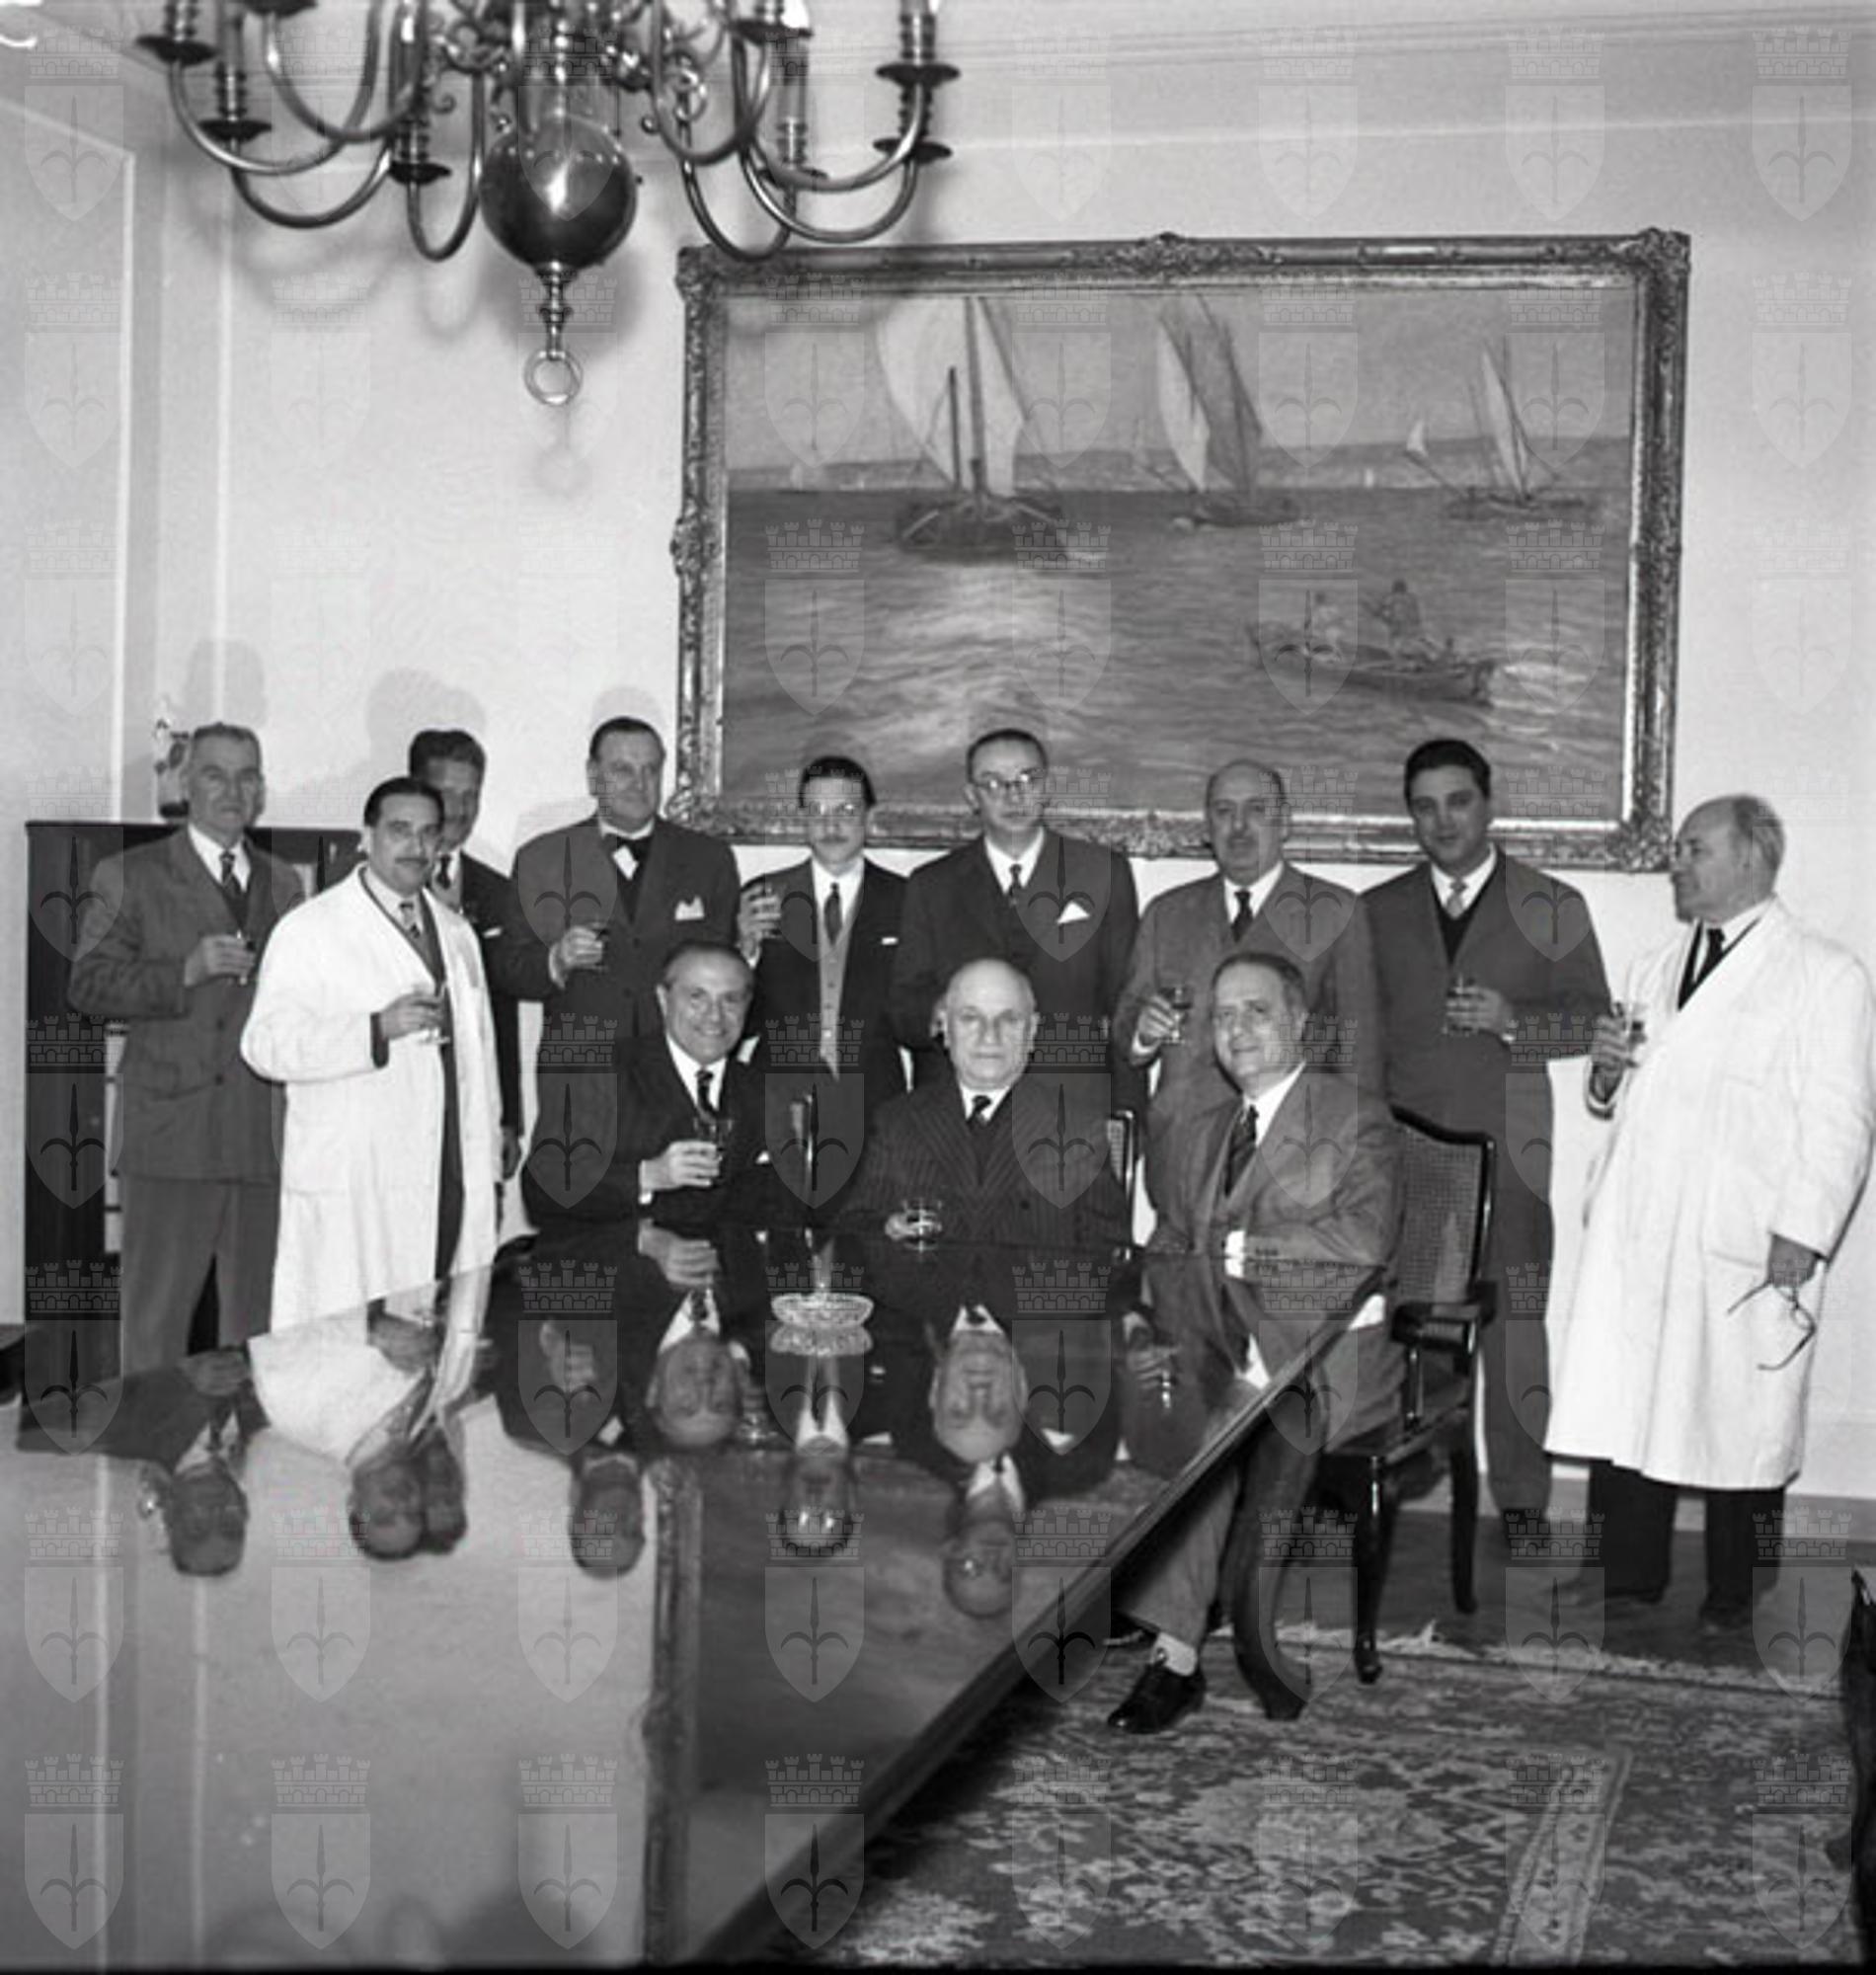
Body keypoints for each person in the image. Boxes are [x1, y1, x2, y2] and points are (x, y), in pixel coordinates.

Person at [1547, 796, 1876, 1630]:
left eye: (1695, 849)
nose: (1678, 864)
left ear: (1752, 857)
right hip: (1643, 1225)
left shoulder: (1825, 973)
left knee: (1741, 1408)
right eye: (1679, 850)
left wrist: (1804, 1230)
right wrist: (1606, 1074)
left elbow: (1841, 1118)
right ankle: (1627, 1573)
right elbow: (1622, 1093)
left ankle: (1736, 1585)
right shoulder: (1655, 965)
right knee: (1631, 1397)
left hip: (1745, 1229)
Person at [1106, 954, 1401, 1735]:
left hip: (1325, 1355)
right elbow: (1178, 1245)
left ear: (1300, 1022)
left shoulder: (1354, 1116)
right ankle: (1139, 1600)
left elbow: (1364, 1242)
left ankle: (1175, 1658)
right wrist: (1149, 1323)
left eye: (1257, 1010)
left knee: (1215, 1431)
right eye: (1223, 1014)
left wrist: (1249, 1252)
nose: (1236, 1028)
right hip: (1222, 1344)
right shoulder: (1207, 1128)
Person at [1365, 739, 1608, 1535]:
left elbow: (1594, 1021)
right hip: (1409, 1156)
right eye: (1425, 806)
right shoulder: (1376, 910)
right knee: (1414, 1323)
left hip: (1511, 1155)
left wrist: (1514, 1022)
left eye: (1458, 801)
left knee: (1515, 1330)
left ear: (1489, 803)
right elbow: (1357, 1034)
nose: (1443, 821)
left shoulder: (1554, 903)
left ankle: (1523, 1501)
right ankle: (1409, 1482)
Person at [68, 723, 303, 1373]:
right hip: (171, 1136)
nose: (233, 791)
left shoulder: (286, 884)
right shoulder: (128, 875)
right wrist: (184, 972)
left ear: (262, 790)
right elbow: (87, 986)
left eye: (247, 776)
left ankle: (247, 1438)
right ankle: (150, 1440)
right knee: (155, 1329)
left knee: (259, 1333)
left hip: (260, 1134)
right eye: (215, 775)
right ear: (185, 784)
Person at [242, 778, 503, 1326]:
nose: (416, 847)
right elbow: (264, 1045)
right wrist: (374, 1030)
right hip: (354, 1177)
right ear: (367, 837)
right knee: (346, 1342)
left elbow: (481, 1058)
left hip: (446, 1170)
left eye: (429, 834)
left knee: (433, 1334)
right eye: (399, 831)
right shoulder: (310, 929)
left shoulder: (457, 933)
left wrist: (490, 1153)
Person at [490, 718, 739, 1213]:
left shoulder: (708, 857)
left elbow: (725, 967)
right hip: (581, 1074)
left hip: (676, 1075)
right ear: (592, 775)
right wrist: (555, 960)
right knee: (579, 1214)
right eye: (623, 769)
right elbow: (509, 969)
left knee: (685, 1217)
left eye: (651, 770)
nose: (639, 783)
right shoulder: (542, 857)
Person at [1114, 758, 1382, 1203]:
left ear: (1285, 822)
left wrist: (1354, 1162)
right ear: (1207, 826)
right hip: (1180, 1156)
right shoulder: (1167, 913)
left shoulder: (1336, 912)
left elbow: (1360, 1057)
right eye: (1223, 812)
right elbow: (1125, 1025)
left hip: (1291, 1159)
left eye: (1256, 810)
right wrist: (1142, 1033)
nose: (1238, 827)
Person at [890, 729, 1139, 1101]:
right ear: (972, 797)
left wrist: (1128, 1113)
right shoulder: (932, 885)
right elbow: (904, 1010)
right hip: (959, 1105)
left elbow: (1127, 1005)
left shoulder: (1103, 873)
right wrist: (940, 1011)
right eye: (993, 783)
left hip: (1072, 1104)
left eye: (1027, 780)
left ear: (1047, 788)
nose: (1013, 795)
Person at [842, 957, 1129, 1251]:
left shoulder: (1078, 1129)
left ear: (1032, 1033)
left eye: (1008, 1020)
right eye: (970, 1018)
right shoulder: (897, 1122)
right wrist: (886, 1229)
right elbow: (856, 1230)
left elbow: (1111, 1255)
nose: (989, 1035)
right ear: (945, 1029)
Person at [739, 754, 907, 1214]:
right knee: (779, 1233)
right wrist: (745, 950)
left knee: (865, 1230)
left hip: (874, 1099)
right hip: (780, 1099)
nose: (831, 825)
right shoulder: (763, 895)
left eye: (846, 811)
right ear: (801, 820)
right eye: (816, 811)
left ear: (870, 817)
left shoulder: (907, 899)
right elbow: (741, 1022)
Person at [522, 940, 768, 1247]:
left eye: (730, 1000)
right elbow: (540, 1188)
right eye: (697, 997)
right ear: (663, 1000)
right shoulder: (602, 1074)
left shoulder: (760, 1091)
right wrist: (646, 1177)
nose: (714, 1016)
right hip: (617, 1268)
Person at [408, 729, 525, 1186]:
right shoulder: (375, 883)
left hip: (474, 1105)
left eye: (470, 795)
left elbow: (504, 1010)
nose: (459, 809)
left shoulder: (498, 891)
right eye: (446, 794)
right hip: (398, 1103)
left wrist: (509, 1117)